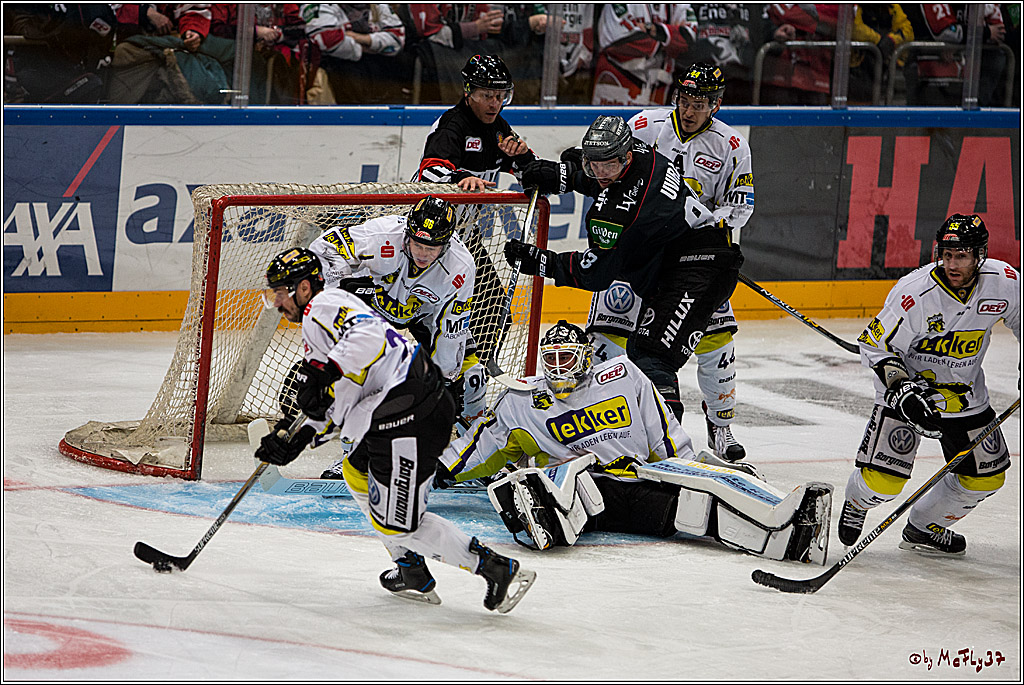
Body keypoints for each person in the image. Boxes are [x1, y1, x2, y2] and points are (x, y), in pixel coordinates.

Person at [255, 246, 535, 613]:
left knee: (400, 525)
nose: (276, 303)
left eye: (280, 292)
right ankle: (410, 568)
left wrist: (325, 373)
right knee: (356, 472)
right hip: (395, 414)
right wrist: (299, 438)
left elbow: (366, 342)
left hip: (412, 420)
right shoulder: (324, 319)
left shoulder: (322, 308)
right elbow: (339, 393)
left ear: (304, 288)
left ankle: (496, 568)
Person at [438, 321, 833, 563]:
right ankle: (541, 514)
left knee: (697, 505)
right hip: (591, 495)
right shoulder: (522, 400)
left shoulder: (624, 376)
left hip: (641, 488)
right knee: (571, 475)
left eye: (567, 359)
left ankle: (792, 531)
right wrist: (435, 471)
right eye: (551, 360)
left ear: (586, 359)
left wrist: (692, 470)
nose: (558, 370)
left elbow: (666, 436)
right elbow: (480, 448)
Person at [507, 114, 744, 437]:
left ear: (626, 155)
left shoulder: (616, 214)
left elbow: (597, 274)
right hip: (684, 257)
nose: (601, 173)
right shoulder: (643, 152)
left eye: (608, 164)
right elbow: (611, 179)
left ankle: (667, 447)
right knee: (640, 348)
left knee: (652, 356)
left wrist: (541, 262)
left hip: (698, 268)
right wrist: (567, 175)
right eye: (594, 164)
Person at [593, 62, 752, 462]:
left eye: (699, 102)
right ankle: (605, 425)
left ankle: (720, 425)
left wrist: (702, 224)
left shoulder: (731, 146)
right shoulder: (645, 126)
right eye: (684, 99)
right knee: (607, 335)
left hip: (694, 263)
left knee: (717, 339)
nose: (688, 109)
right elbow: (614, 176)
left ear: (716, 104)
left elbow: (741, 206)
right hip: (637, 257)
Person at [838, 214, 1020, 556]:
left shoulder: (1004, 281)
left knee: (986, 477)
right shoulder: (914, 293)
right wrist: (902, 389)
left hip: (965, 395)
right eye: (947, 254)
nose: (953, 263)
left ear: (979, 255)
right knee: (883, 482)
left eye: (962, 255)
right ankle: (859, 502)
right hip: (911, 393)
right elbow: (876, 346)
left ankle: (923, 527)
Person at [305, 196, 486, 451]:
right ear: (407, 234)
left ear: (446, 244)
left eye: (432, 248)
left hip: (424, 315)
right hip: (371, 307)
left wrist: (445, 379)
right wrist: (341, 288)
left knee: (470, 377)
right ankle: (355, 453)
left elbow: (450, 329)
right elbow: (324, 248)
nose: (423, 254)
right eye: (418, 244)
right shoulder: (382, 234)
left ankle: (476, 449)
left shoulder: (461, 267)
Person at [590, 4, 698, 106]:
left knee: (653, 125)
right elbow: (619, 42)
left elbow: (689, 38)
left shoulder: (677, 4)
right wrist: (670, 39)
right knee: (609, 125)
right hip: (619, 84)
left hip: (657, 90)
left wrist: (651, 29)